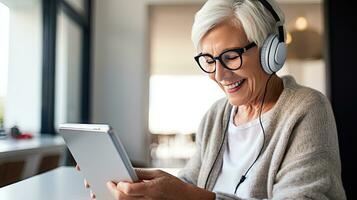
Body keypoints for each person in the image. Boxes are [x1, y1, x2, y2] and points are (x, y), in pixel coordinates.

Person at [83, 0, 346, 199]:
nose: (219, 74)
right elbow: (190, 182)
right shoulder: (216, 116)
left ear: (270, 51)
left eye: (231, 56)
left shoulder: (306, 109)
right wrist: (146, 187)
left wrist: (190, 197)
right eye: (208, 60)